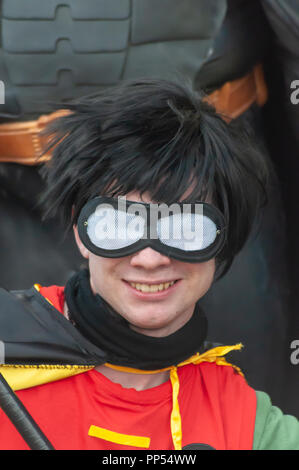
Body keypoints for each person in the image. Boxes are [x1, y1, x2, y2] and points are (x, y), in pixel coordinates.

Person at [0, 79, 298, 451]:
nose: (150, 258)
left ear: (222, 240)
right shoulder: (6, 347)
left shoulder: (246, 422)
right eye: (120, 225)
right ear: (81, 229)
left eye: (187, 228)